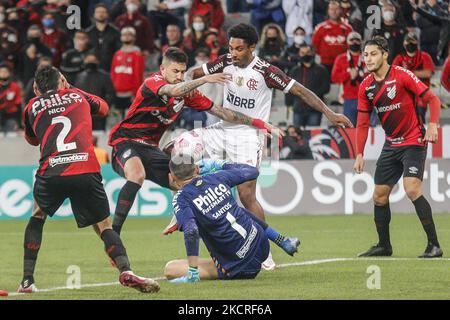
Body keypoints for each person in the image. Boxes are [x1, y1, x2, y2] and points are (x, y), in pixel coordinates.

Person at [173, 23, 352, 270]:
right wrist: (196, 80)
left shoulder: (266, 71)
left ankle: (263, 251)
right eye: (230, 48)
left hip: (249, 135)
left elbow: (299, 90)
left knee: (246, 195)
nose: (233, 53)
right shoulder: (225, 61)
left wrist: (330, 113)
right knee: (183, 144)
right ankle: (181, 203)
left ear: (252, 48)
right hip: (223, 129)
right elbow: (192, 72)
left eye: (238, 49)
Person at [108, 47, 282, 237]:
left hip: (150, 147)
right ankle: (114, 234)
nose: (180, 76)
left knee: (186, 182)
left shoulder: (187, 95)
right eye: (175, 71)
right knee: (137, 175)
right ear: (162, 69)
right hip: (125, 140)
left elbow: (223, 112)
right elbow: (173, 90)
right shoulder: (153, 82)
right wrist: (204, 79)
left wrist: (260, 123)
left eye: (183, 72)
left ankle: (188, 219)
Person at [18, 65, 160, 294]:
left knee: (37, 216)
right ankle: (125, 269)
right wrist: (70, 89)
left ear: (35, 88)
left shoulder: (31, 107)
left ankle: (26, 281)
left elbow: (32, 140)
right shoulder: (78, 96)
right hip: (85, 168)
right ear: (62, 80)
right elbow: (103, 108)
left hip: (52, 171)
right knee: (104, 225)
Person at [353, 36, 443, 258]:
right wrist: (359, 153)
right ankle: (384, 246)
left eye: (373, 53)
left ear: (385, 54)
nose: (368, 58)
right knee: (379, 196)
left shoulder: (402, 75)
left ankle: (434, 245)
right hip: (391, 144)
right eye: (365, 55)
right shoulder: (365, 86)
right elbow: (362, 123)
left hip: (414, 140)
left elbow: (433, 99)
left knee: (412, 189)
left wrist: (432, 124)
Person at [164, 156, 300, 282]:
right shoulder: (217, 177)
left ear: (172, 176)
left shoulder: (181, 198)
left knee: (170, 268)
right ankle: (282, 241)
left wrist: (193, 271)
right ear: (197, 169)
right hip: (262, 245)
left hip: (240, 267)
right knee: (238, 210)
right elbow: (252, 171)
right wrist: (222, 164)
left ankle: (194, 274)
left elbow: (191, 230)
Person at [392, 32, 435, 122]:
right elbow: (393, 75)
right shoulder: (399, 58)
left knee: (419, 122)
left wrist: (408, 73)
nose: (410, 44)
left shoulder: (425, 56)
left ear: (417, 43)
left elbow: (428, 73)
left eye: (413, 41)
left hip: (420, 98)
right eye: (408, 41)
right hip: (403, 98)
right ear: (404, 43)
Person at [286, 44, 330, 127]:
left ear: (313, 53)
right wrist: (289, 103)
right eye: (302, 53)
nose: (305, 55)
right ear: (299, 54)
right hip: (298, 108)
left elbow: (326, 88)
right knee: (297, 135)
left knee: (313, 135)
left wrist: (309, 95)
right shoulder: (294, 70)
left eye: (308, 52)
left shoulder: (321, 69)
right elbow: (288, 88)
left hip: (315, 108)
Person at [331, 31, 366, 126]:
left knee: (366, 129)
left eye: (357, 40)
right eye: (352, 40)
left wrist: (361, 76)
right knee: (350, 129)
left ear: (361, 42)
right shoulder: (341, 58)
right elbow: (334, 78)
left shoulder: (367, 57)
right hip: (349, 99)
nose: (354, 43)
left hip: (366, 98)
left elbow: (375, 77)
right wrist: (348, 74)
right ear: (347, 42)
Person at [75, 52, 116, 131]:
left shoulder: (105, 76)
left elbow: (111, 93)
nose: (90, 62)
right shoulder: (79, 76)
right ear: (84, 61)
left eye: (93, 60)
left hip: (99, 115)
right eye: (88, 60)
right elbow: (75, 94)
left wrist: (104, 108)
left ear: (98, 62)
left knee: (99, 138)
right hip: (83, 115)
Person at [110, 26, 145, 118]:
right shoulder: (117, 54)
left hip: (130, 94)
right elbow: (113, 74)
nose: (126, 37)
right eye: (124, 35)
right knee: (117, 121)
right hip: (117, 93)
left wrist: (135, 93)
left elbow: (138, 75)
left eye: (129, 35)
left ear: (134, 38)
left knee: (129, 120)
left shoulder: (137, 54)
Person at [311, 0, 353, 75]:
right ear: (328, 11)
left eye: (336, 9)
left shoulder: (348, 28)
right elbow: (314, 47)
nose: (334, 12)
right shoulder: (321, 28)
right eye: (331, 9)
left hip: (342, 65)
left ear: (340, 10)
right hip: (324, 65)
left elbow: (351, 47)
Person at [86, 3, 121, 72]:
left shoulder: (115, 32)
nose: (100, 14)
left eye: (103, 12)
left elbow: (119, 51)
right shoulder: (88, 33)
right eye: (98, 12)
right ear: (94, 14)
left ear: (107, 14)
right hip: (92, 70)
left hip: (111, 69)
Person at [0, 63, 22, 133]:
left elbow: (19, 105)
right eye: (1, 72)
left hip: (11, 116)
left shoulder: (15, 86)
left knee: (11, 136)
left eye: (5, 72)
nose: (3, 73)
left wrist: (19, 123)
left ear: (9, 73)